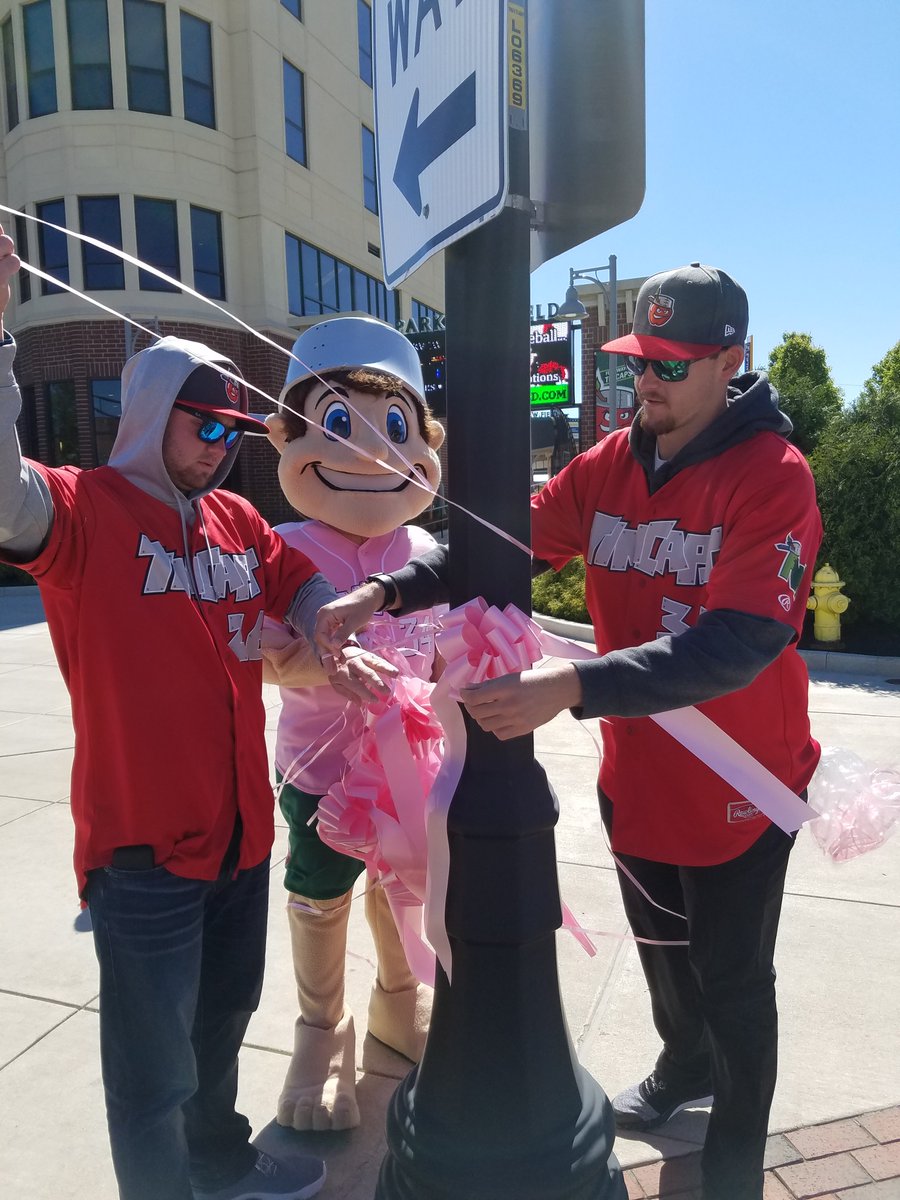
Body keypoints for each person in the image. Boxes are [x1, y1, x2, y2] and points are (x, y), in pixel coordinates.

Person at [313, 264, 823, 1200]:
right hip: (637, 770)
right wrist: (385, 588)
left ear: (731, 363)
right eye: (639, 366)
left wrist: (572, 685)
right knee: (664, 950)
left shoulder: (773, 476)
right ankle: (682, 1068)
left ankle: (737, 1156)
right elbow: (495, 540)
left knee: (735, 980)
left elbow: (742, 642)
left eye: (673, 366)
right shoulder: (612, 464)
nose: (648, 387)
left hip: (740, 781)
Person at [0, 226, 391, 1200]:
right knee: (150, 1078)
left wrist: (321, 611)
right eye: (203, 427)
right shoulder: (81, 511)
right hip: (141, 859)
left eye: (230, 431)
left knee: (221, 1031)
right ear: (149, 414)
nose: (221, 450)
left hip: (241, 842)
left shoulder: (237, 519)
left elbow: (290, 571)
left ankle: (221, 1167)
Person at [260, 316, 444, 1132]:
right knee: (321, 892)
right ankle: (318, 1034)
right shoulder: (282, 545)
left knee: (404, 886)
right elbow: (263, 655)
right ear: (287, 437)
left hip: (414, 766)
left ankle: (398, 1007)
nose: (371, 451)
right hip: (317, 768)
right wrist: (339, 655)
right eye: (340, 424)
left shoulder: (426, 549)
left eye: (395, 427)